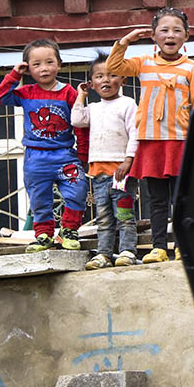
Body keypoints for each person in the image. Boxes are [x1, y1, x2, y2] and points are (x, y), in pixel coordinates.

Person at [106, 8, 194, 264]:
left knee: (181, 200)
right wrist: (126, 41)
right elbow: (114, 66)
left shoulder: (191, 68)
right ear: (153, 36)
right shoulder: (143, 63)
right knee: (158, 201)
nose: (170, 35)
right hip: (151, 143)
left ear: (186, 36)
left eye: (176, 30)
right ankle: (159, 247)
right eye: (164, 30)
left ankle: (184, 246)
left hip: (181, 142)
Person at [0, 38, 89, 253]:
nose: (44, 69)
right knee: (39, 198)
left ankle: (69, 230)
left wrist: (82, 155)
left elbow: (81, 125)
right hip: (36, 158)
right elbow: (0, 97)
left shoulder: (70, 93)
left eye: (49, 62)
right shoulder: (25, 93)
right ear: (28, 68)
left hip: (65, 155)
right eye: (36, 64)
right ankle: (43, 234)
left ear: (59, 64)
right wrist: (14, 75)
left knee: (78, 189)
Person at [71, 52, 139, 270]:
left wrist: (128, 160)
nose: (106, 80)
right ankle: (104, 254)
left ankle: (128, 250)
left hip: (122, 173)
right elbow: (76, 119)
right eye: (99, 77)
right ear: (92, 83)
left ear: (123, 80)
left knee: (125, 215)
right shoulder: (93, 108)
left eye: (112, 75)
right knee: (103, 217)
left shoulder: (127, 104)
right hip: (99, 175)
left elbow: (135, 133)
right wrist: (81, 96)